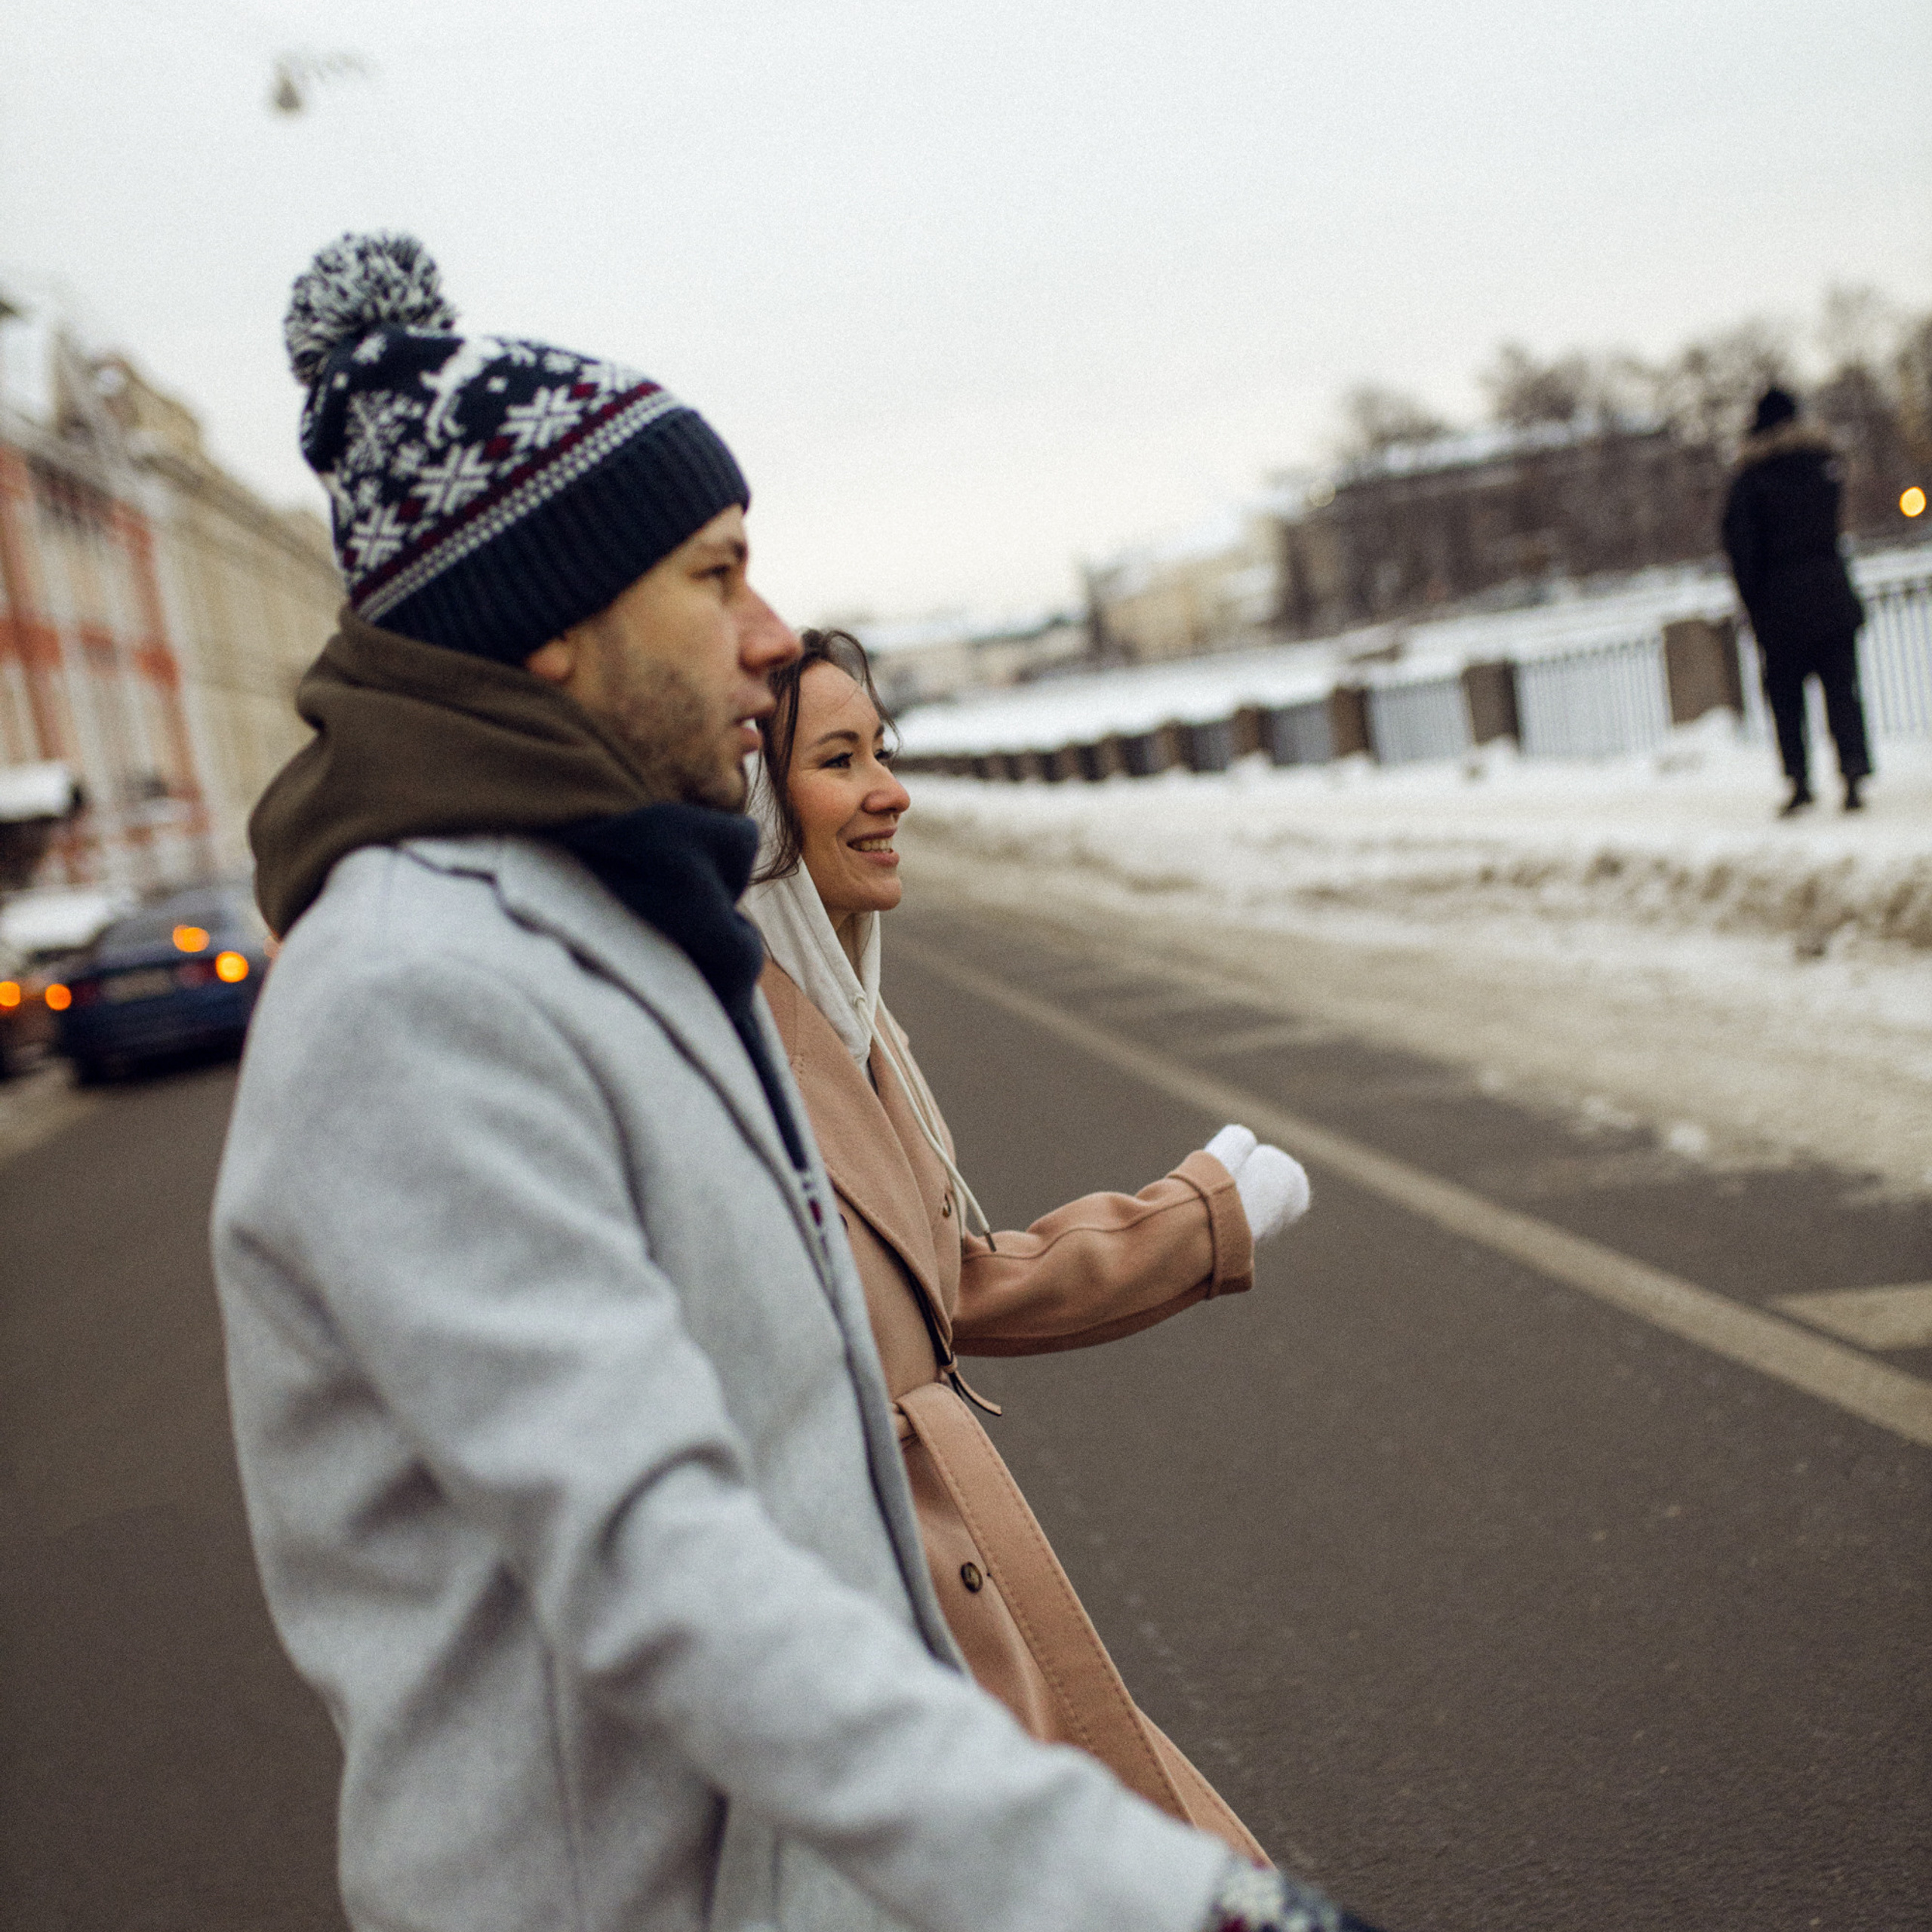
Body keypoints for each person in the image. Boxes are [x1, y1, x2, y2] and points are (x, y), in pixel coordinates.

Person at [211, 232, 1384, 1932]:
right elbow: (661, 1562)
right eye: (717, 573)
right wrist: (1150, 1894)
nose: (771, 640)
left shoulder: (598, 938)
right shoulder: (415, 996)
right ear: (552, 623)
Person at [743, 629, 1311, 1866]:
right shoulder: (741, 1041)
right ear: (753, 797)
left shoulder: (845, 1018)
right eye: (840, 760)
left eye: (882, 751)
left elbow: (945, 1278)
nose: (891, 790)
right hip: (872, 1611)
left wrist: (1202, 1211)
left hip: (940, 1588)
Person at [1721, 385, 1873, 817]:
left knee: (1787, 701)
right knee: (1843, 691)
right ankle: (1853, 774)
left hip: (1779, 606)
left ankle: (1800, 781)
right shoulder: (1822, 464)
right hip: (1831, 596)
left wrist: (1753, 605)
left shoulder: (1750, 480)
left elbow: (1741, 547)